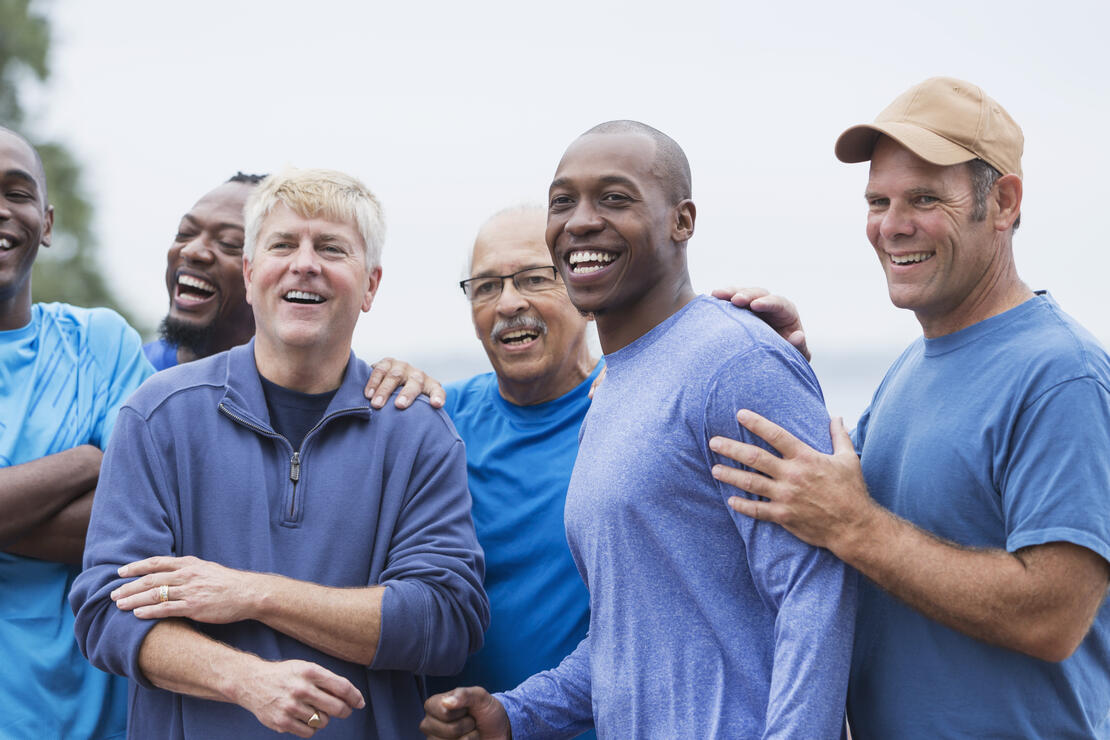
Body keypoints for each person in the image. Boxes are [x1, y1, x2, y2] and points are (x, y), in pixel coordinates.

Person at [421, 121, 855, 739]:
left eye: (615, 198)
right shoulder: (613, 388)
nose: (580, 221)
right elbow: (629, 636)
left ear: (682, 220)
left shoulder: (735, 360)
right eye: (562, 201)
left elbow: (816, 594)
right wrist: (516, 715)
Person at [711, 77, 1110, 738]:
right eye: (878, 200)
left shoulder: (1060, 375)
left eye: (924, 199)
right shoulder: (913, 367)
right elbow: (832, 495)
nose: (892, 225)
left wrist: (857, 527)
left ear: (1003, 202)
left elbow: (1052, 616)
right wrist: (780, 374)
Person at [71, 167, 489, 739]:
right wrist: (244, 679)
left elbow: (446, 622)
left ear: (370, 285)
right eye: (283, 244)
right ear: (249, 273)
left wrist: (252, 593)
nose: (305, 263)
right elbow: (107, 612)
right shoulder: (157, 416)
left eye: (332, 248)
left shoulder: (418, 433)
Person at [0, 126, 153, 738]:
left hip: (101, 723)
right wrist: (89, 460)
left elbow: (143, 527)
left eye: (18, 192)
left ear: (48, 221)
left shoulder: (101, 342)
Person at [143, 173, 262, 371]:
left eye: (228, 242)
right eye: (184, 233)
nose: (190, 251)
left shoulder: (306, 392)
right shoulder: (126, 375)